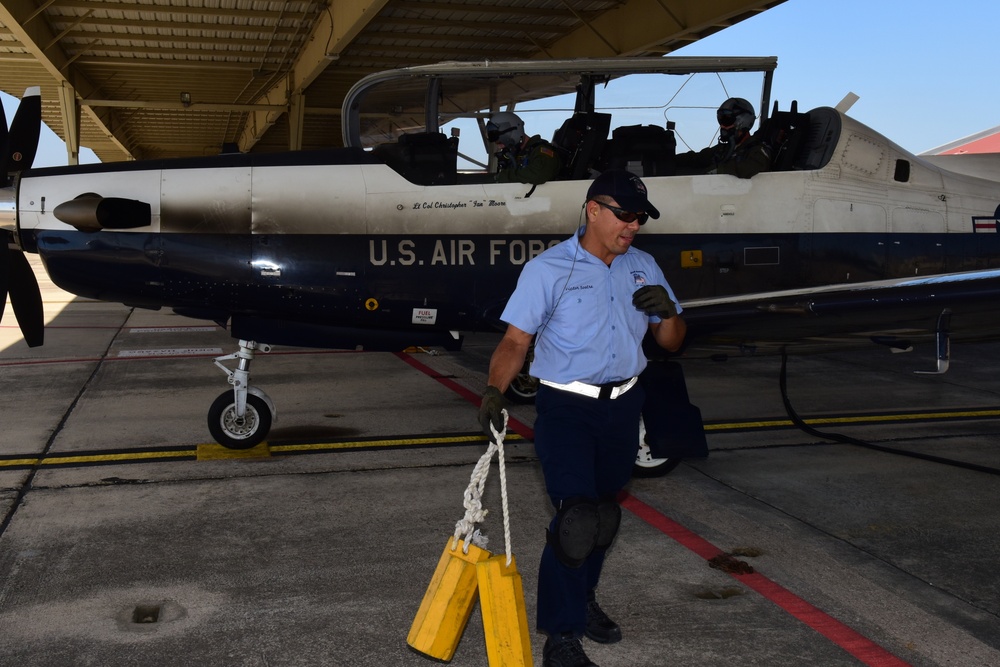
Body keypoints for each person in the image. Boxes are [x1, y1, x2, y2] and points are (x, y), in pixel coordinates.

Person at [478, 169, 686, 667]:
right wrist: (492, 391)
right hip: (567, 406)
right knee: (575, 519)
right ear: (593, 209)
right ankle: (561, 635)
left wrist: (671, 313)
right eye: (625, 215)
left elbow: (670, 343)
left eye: (640, 217)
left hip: (625, 404)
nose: (633, 226)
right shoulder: (549, 270)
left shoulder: (644, 266)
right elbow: (514, 341)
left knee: (604, 516)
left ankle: (583, 598)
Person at [675, 97, 773, 178]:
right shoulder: (723, 149)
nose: (722, 126)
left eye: (726, 120)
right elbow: (696, 159)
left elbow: (750, 168)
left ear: (743, 122)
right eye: (720, 120)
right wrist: (668, 159)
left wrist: (718, 170)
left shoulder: (757, 150)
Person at [487, 111, 562, 184]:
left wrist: (505, 176)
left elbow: (537, 175)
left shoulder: (541, 152)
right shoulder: (518, 154)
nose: (499, 146)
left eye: (500, 142)